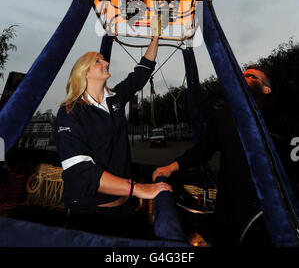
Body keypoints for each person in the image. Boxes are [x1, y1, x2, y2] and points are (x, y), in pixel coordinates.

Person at [152, 66, 299, 246]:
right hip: (229, 210)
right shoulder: (222, 117)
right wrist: (170, 167)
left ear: (266, 89)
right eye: (242, 75)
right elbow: (203, 150)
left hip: (270, 214)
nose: (243, 77)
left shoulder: (283, 123)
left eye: (251, 76)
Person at [55, 26, 172, 238]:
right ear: (84, 73)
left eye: (104, 59)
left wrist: (156, 35)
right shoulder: (70, 112)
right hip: (90, 217)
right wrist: (137, 188)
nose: (106, 62)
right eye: (98, 61)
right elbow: (81, 171)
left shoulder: (115, 99)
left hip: (124, 208)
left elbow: (142, 71)